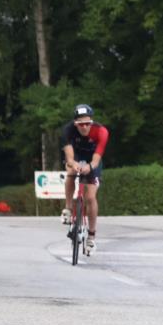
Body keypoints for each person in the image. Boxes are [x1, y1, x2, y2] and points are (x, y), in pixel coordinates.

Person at [60, 104, 109, 257]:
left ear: (92, 122)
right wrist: (73, 164)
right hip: (76, 157)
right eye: (81, 124)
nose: (85, 127)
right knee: (70, 173)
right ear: (75, 124)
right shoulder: (68, 130)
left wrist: (91, 166)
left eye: (88, 123)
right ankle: (68, 208)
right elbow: (69, 156)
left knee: (90, 197)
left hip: (93, 160)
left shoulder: (101, 131)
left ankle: (91, 236)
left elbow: (97, 156)